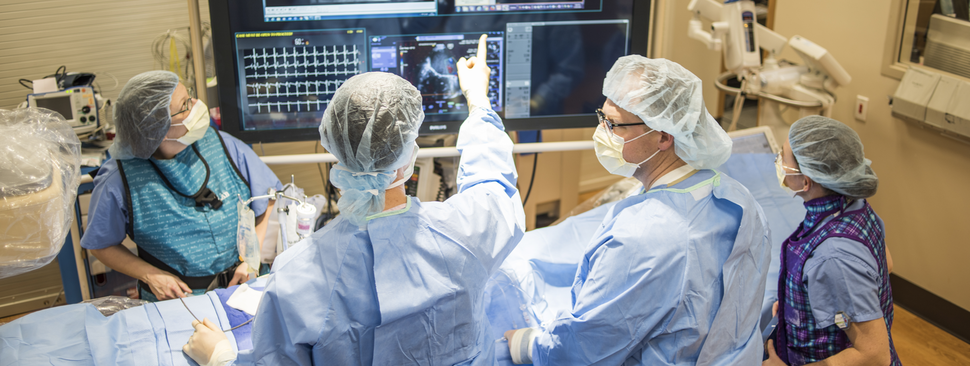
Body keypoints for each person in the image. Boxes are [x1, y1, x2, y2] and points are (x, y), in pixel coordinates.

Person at [183, 34, 527, 366]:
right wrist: (477, 98)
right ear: (407, 155)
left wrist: (219, 358)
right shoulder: (467, 231)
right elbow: (493, 182)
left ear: (338, 149)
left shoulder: (296, 276)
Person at [504, 56, 772, 365]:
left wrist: (527, 345)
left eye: (613, 124)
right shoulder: (739, 197)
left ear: (663, 136)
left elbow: (585, 348)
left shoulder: (641, 238)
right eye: (601, 117)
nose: (601, 131)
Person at [81, 71, 282, 302]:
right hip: (178, 301)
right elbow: (100, 244)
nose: (197, 105)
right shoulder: (119, 180)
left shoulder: (223, 145)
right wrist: (150, 275)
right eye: (185, 105)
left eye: (190, 96)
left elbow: (267, 196)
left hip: (245, 286)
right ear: (157, 129)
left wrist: (251, 259)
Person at [764, 116, 899, 366]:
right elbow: (885, 264)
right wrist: (801, 301)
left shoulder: (833, 256)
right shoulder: (855, 206)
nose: (779, 161)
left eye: (783, 157)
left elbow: (874, 355)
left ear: (805, 181)